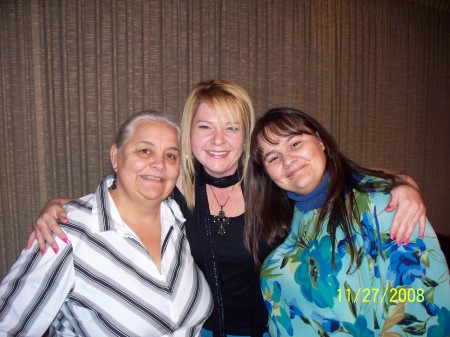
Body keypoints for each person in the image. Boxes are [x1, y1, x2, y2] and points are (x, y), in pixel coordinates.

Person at [27, 81, 426, 337]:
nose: (218, 140)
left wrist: (402, 184)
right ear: (190, 132)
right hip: (199, 331)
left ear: (245, 134)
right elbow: (120, 195)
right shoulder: (176, 187)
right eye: (205, 127)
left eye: (231, 127)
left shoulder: (271, 181)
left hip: (275, 331)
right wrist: (56, 207)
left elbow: (336, 172)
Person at [0, 111, 213, 336]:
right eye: (145, 151)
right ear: (115, 156)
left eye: (170, 155)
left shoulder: (177, 218)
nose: (159, 164)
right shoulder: (67, 234)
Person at [244, 107, 450, 337]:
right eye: (273, 157)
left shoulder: (383, 206)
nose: (288, 160)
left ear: (320, 141)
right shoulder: (283, 223)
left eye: (295, 144)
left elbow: (420, 304)